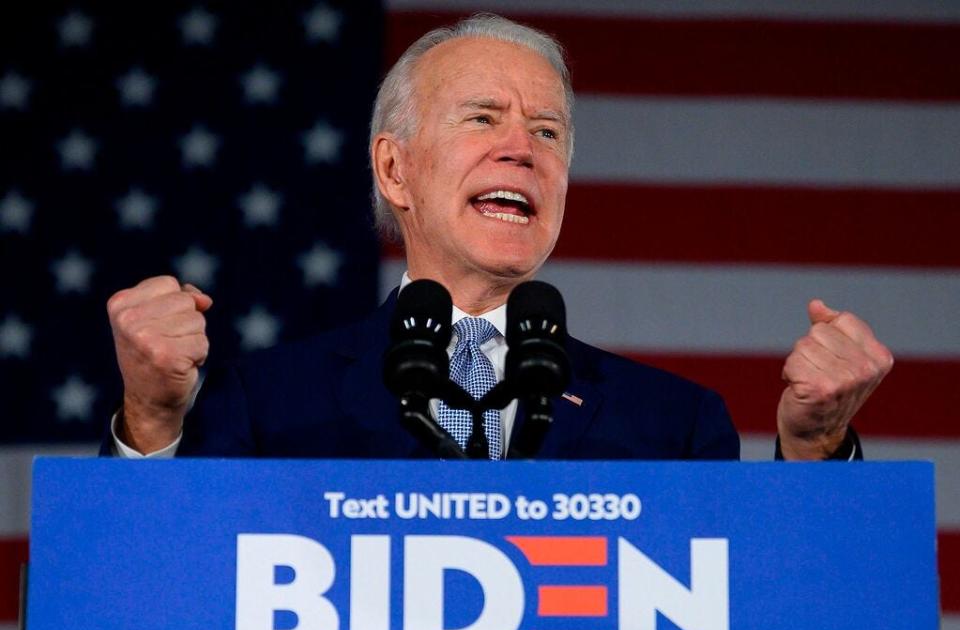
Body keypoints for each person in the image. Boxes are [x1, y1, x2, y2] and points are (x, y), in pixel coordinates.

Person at [103, 14, 892, 460]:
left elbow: (761, 622)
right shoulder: (265, 405)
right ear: (394, 168)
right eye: (483, 117)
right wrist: (149, 423)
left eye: (547, 131)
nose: (522, 147)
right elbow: (159, 606)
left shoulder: (673, 425)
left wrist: (816, 450)